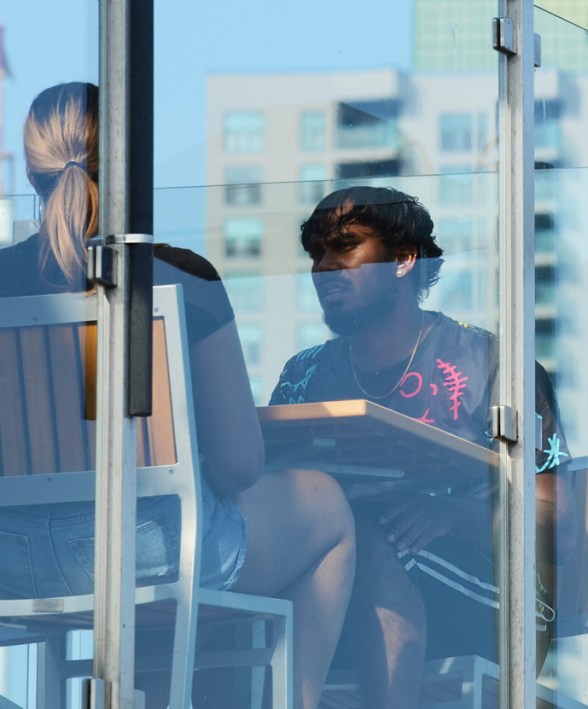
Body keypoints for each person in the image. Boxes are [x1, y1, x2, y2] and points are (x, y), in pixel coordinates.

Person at [0, 82, 355, 709]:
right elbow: (241, 464)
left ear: (31, 171)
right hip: (150, 555)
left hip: (12, 562)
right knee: (326, 506)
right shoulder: (179, 278)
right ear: (131, 165)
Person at [270, 185, 576, 708]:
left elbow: (559, 528)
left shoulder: (492, 363)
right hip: (348, 577)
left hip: (500, 603)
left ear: (404, 259)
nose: (325, 267)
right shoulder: (305, 374)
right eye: (317, 254)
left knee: (361, 541)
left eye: (345, 247)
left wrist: (449, 513)